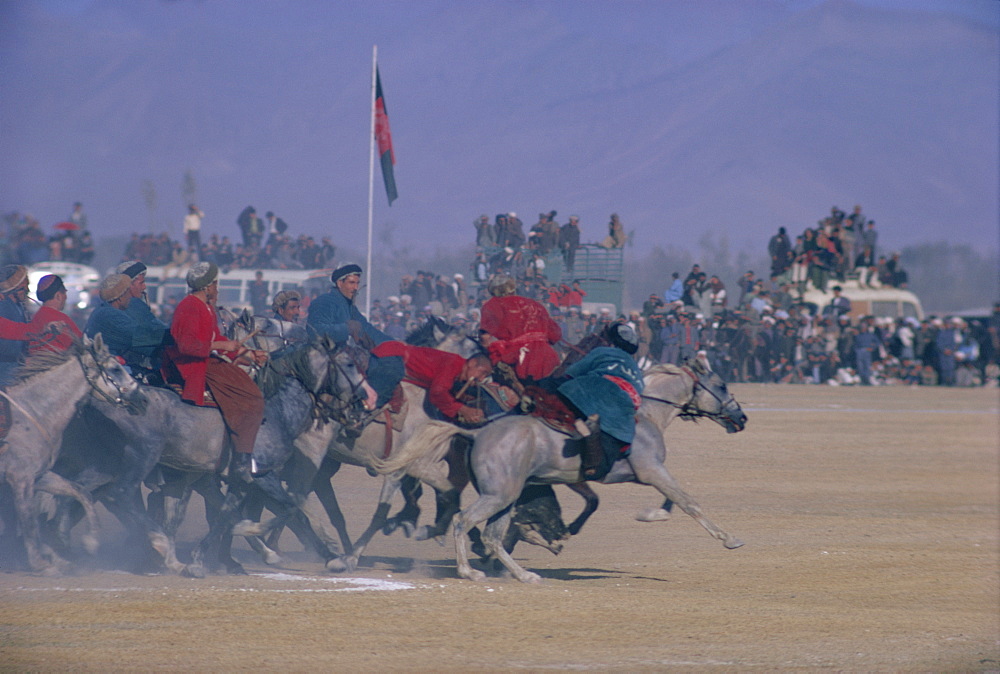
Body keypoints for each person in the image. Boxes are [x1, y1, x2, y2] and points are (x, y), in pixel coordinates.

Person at [162, 262, 267, 482]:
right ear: (207, 287)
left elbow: (217, 339)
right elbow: (187, 345)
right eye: (215, 284)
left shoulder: (207, 307)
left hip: (208, 359)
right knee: (253, 398)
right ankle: (242, 460)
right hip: (195, 365)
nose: (217, 288)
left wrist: (249, 353)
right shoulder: (189, 306)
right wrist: (220, 347)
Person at [555, 323, 644, 479]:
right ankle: (592, 435)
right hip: (621, 415)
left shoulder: (602, 351)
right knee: (599, 468)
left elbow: (572, 373)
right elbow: (640, 391)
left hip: (591, 393)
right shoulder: (635, 367)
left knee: (551, 386)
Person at [307, 263, 403, 406]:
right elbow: (316, 331)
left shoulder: (349, 306)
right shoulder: (324, 302)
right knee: (386, 368)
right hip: (324, 356)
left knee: (391, 361)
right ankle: (366, 410)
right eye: (352, 283)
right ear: (340, 283)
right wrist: (346, 329)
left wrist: (393, 344)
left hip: (342, 354)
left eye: (357, 283)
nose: (356, 287)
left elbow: (366, 328)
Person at [372, 341, 492, 424]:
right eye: (483, 373)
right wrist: (463, 409)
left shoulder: (457, 371)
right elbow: (438, 392)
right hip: (393, 356)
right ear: (472, 363)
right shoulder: (454, 363)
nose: (481, 379)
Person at [479, 274, 562, 382]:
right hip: (547, 357)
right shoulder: (535, 304)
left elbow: (485, 337)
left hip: (518, 359)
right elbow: (555, 335)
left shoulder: (492, 304)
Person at [116, 260, 172, 382]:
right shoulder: (132, 303)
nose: (144, 287)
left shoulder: (117, 302)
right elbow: (159, 330)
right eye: (141, 283)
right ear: (128, 285)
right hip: (135, 363)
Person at [85, 273, 140, 363]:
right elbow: (142, 336)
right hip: (108, 365)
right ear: (120, 297)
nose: (131, 296)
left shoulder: (101, 310)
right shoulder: (110, 314)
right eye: (128, 293)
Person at [28, 274, 82, 354]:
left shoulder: (36, 317)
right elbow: (81, 343)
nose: (65, 297)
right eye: (64, 293)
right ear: (58, 296)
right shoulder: (61, 318)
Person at [0, 265, 31, 386]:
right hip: (5, 368)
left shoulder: (19, 307)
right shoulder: (3, 306)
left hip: (15, 365)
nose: (27, 290)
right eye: (24, 287)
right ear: (14, 288)